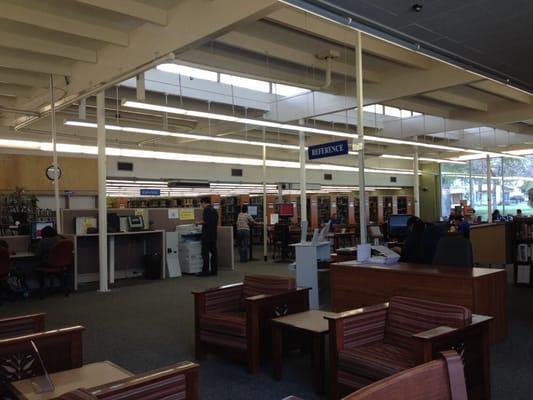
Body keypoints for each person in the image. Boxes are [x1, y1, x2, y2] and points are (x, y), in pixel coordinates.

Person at [198, 197, 218, 277]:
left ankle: (205, 271)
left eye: (201, 203)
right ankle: (214, 271)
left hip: (206, 235)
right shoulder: (214, 210)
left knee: (205, 254)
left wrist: (198, 223)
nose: (201, 205)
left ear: (204, 202)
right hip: (213, 235)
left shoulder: (206, 210)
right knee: (214, 254)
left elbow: (205, 222)